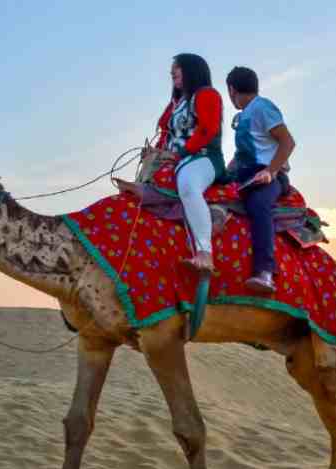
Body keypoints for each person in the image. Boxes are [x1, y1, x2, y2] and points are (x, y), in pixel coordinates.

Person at [116, 53, 225, 273]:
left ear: (192, 70)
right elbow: (167, 134)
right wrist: (155, 151)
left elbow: (207, 129)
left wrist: (180, 154)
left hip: (202, 158)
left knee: (188, 186)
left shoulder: (206, 95)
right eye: (172, 69)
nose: (173, 72)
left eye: (178, 68)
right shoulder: (176, 104)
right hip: (175, 160)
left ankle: (205, 252)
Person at [225, 66, 296, 294]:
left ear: (232, 89)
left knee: (258, 205)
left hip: (269, 176)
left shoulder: (263, 107)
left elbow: (287, 142)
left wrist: (271, 171)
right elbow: (242, 154)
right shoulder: (243, 116)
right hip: (245, 175)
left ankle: (265, 272)